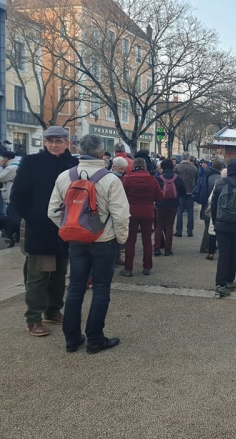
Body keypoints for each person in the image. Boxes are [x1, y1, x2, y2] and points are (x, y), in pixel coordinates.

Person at [48, 134, 129, 353]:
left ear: (79, 149)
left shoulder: (66, 176)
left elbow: (52, 211)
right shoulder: (111, 179)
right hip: (104, 240)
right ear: (102, 153)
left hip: (76, 240)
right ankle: (95, 339)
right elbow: (121, 216)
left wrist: (69, 229)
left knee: (75, 289)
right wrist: (120, 239)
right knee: (101, 290)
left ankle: (72, 339)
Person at [10, 126, 79, 337]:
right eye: (49, 141)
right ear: (44, 142)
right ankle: (33, 318)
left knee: (59, 274)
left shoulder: (74, 165)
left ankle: (53, 310)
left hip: (66, 228)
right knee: (38, 276)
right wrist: (32, 216)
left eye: (58, 141)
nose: (53, 145)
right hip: (40, 229)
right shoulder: (32, 162)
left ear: (67, 143)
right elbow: (18, 195)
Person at [211, 158, 236, 297]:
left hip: (222, 225)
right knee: (235, 254)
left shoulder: (220, 183)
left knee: (224, 255)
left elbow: (214, 205)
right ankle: (230, 280)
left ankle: (220, 284)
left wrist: (215, 222)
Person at [121, 158, 164, 277]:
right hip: (148, 213)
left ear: (133, 166)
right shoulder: (152, 179)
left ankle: (128, 268)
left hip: (132, 213)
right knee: (147, 240)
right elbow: (160, 197)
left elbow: (122, 195)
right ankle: (147, 267)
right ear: (145, 166)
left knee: (130, 241)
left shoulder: (128, 179)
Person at [154, 159, 186, 256]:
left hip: (160, 204)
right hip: (173, 204)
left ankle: (157, 248)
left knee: (159, 226)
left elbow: (155, 192)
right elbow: (183, 192)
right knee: (169, 226)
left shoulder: (159, 178)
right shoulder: (177, 178)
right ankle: (168, 249)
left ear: (162, 167)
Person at [199, 158, 224, 256]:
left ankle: (209, 245)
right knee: (210, 227)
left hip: (205, 202)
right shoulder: (219, 178)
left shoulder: (206, 174)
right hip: (212, 203)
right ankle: (205, 246)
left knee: (207, 224)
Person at [174, 152, 199, 237]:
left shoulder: (177, 167)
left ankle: (179, 231)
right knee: (190, 212)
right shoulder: (194, 168)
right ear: (189, 158)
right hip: (190, 192)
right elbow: (197, 180)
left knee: (180, 212)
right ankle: (190, 231)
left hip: (180, 192)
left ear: (181, 158)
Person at [0, 150, 21, 246]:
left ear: (6, 158)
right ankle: (17, 235)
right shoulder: (16, 165)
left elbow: (0, 177)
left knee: (14, 217)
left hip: (11, 195)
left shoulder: (11, 168)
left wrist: (0, 166)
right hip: (15, 195)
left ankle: (17, 236)